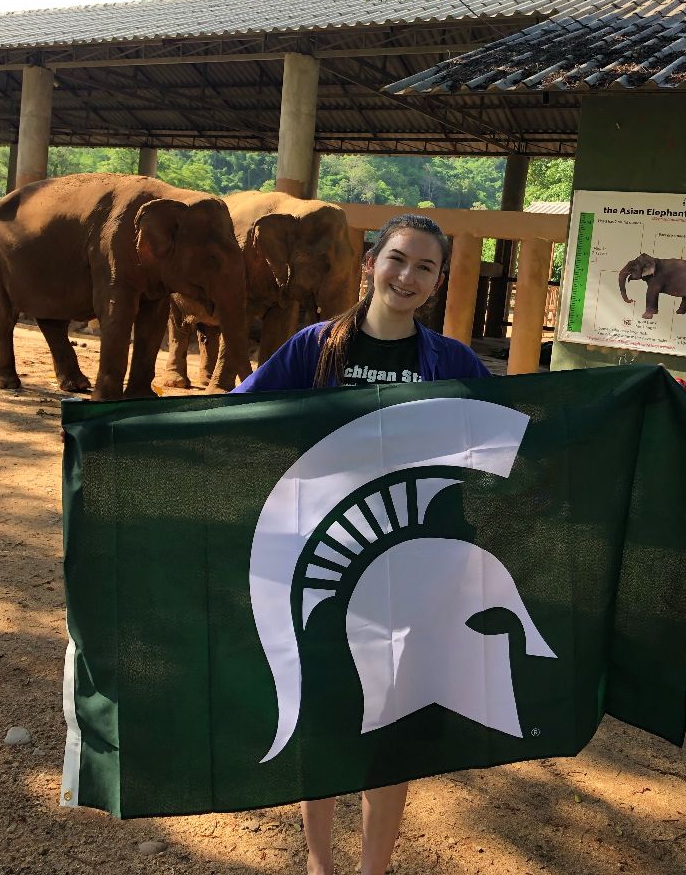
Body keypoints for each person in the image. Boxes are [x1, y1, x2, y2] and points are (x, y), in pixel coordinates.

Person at [234, 213, 490, 875]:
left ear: (436, 284)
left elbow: (512, 438)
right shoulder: (313, 348)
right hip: (321, 563)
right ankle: (320, 862)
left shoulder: (453, 364)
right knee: (322, 721)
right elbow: (241, 414)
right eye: (398, 259)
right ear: (370, 262)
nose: (407, 276)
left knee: (392, 730)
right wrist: (128, 430)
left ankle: (372, 869)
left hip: (414, 572)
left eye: (425, 267)